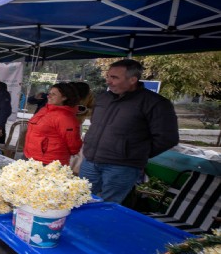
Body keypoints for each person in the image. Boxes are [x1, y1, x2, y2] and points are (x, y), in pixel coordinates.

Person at [80, 59, 179, 203]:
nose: (108, 81)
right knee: (79, 200)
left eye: (114, 77)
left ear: (133, 79)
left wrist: (134, 153)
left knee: (107, 207)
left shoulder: (155, 103)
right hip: (90, 161)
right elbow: (96, 124)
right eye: (108, 76)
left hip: (121, 167)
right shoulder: (103, 98)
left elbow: (167, 138)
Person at [23, 83, 82, 165]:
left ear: (64, 97)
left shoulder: (65, 117)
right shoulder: (44, 110)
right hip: (31, 157)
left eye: (53, 94)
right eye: (49, 93)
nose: (49, 96)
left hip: (49, 162)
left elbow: (73, 144)